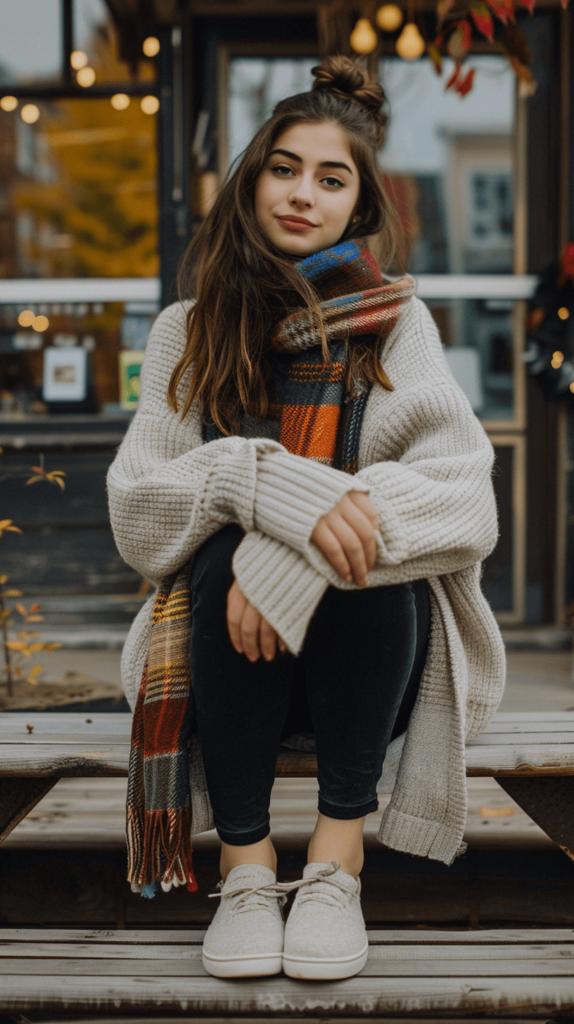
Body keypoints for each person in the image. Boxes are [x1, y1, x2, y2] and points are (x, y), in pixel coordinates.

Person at [108, 55, 505, 983]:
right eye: (283, 168)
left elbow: (465, 494)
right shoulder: (187, 330)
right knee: (221, 557)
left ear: (359, 210)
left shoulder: (398, 329)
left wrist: (303, 552)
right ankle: (246, 869)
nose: (302, 194)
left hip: (372, 677)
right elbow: (138, 511)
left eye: (332, 179)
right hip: (222, 668)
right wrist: (257, 485)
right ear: (250, 185)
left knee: (365, 551)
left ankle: (335, 860)